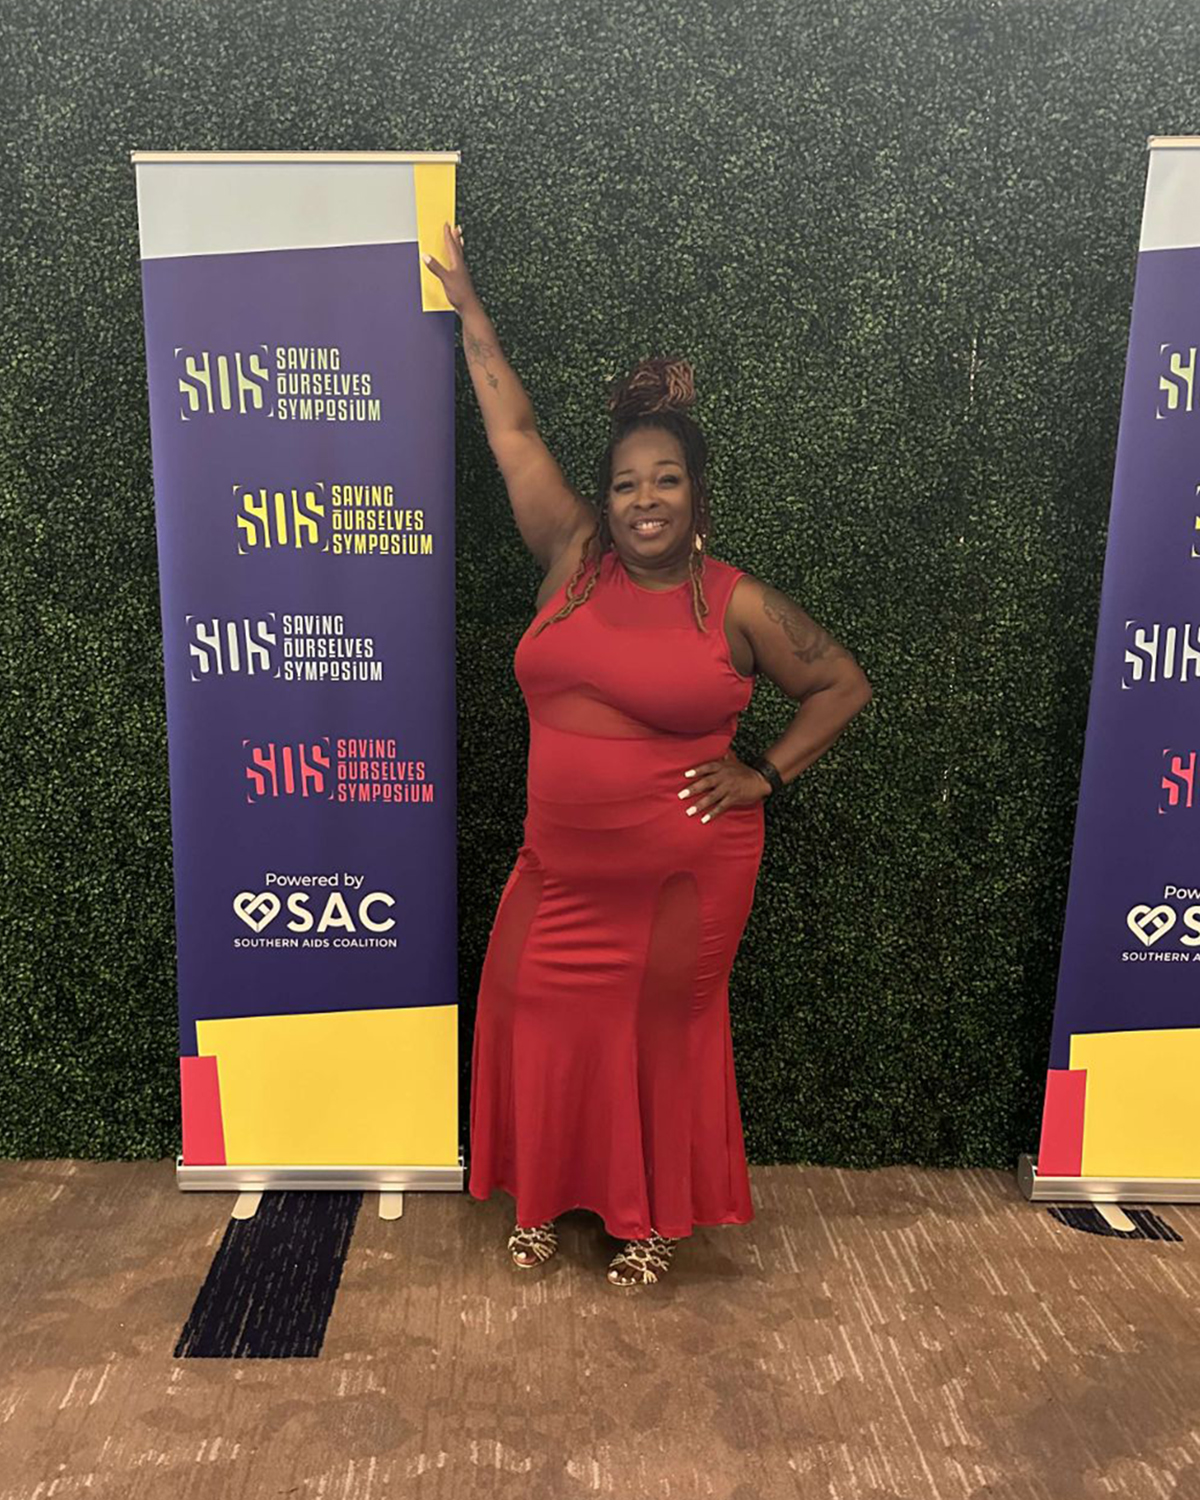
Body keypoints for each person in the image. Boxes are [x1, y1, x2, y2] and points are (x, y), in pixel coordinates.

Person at [423, 223, 872, 1288]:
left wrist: (764, 772)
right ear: (608, 497)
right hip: (558, 868)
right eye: (626, 484)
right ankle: (540, 1196)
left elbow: (842, 684)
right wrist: (470, 313)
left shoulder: (738, 603)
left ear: (696, 497)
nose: (643, 500)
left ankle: (651, 1216)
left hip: (687, 873)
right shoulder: (573, 560)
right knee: (530, 1011)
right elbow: (516, 434)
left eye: (665, 481)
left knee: (658, 1036)